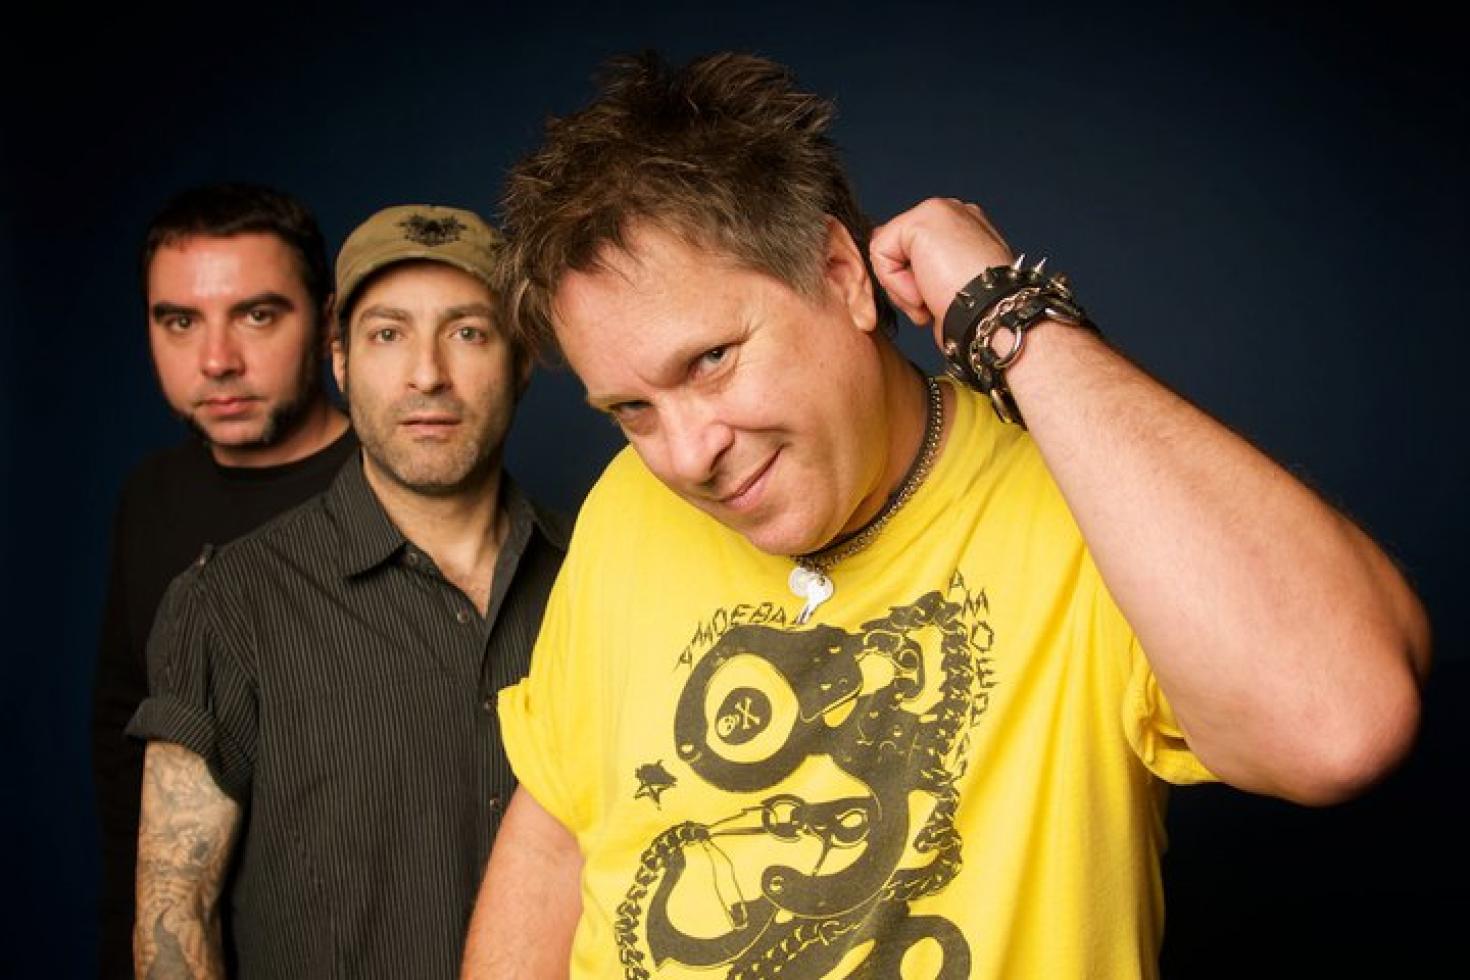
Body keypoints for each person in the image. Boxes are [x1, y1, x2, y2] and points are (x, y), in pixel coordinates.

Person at [460, 53, 1431, 979]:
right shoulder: (628, 502)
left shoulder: (1087, 507)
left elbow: (1337, 724)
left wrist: (1009, 315)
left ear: (841, 275)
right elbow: (561, 827)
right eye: (631, 408)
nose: (684, 454)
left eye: (710, 360)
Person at [129, 204, 567, 978]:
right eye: (387, 334)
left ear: (523, 356)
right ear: (339, 358)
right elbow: (176, 914)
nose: (427, 374)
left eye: (468, 332)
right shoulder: (230, 602)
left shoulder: (596, 575)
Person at [91, 183, 355, 978]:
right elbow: (122, 753)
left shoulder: (400, 494)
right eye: (180, 321)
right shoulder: (152, 496)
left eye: (257, 315)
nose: (216, 361)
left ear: (328, 323)